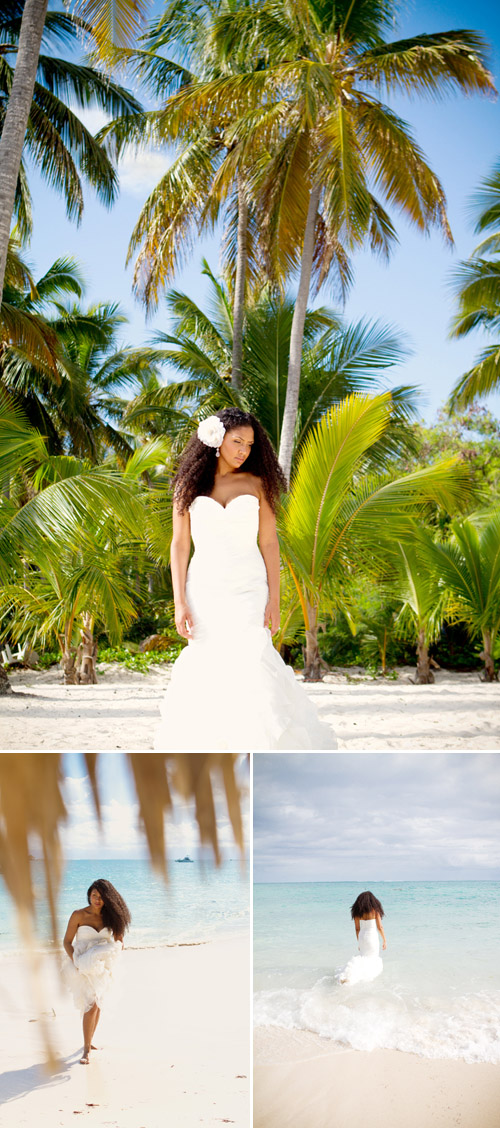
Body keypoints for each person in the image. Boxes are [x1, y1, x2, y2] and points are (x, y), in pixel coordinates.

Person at [155, 406, 335, 749]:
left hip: (249, 587)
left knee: (252, 662)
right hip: (204, 588)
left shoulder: (257, 483)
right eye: (237, 441)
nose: (243, 451)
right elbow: (179, 546)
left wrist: (274, 599)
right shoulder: (187, 486)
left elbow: (269, 542)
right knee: (207, 664)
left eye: (250, 445)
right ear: (217, 439)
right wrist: (179, 602)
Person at [63, 878, 131, 1064]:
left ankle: (89, 1041)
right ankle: (86, 1050)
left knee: (97, 1003)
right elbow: (67, 942)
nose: (97, 899)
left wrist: (107, 954)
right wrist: (76, 962)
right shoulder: (78, 915)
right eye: (94, 895)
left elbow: (119, 942)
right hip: (81, 965)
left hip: (102, 966)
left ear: (108, 898)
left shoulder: (113, 917)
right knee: (90, 1004)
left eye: (101, 897)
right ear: (89, 895)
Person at [338, 891, 386, 985]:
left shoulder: (357, 912)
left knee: (363, 958)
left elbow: (357, 929)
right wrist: (384, 940)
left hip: (362, 937)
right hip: (372, 937)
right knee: (372, 959)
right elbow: (380, 927)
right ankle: (360, 979)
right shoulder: (375, 911)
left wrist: (359, 942)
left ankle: (349, 975)